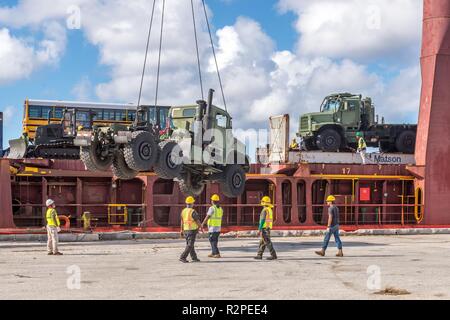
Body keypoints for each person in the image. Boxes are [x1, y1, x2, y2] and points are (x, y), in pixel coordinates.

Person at [180, 196, 203, 263]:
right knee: (190, 245)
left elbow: (182, 221)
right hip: (192, 230)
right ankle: (183, 257)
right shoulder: (193, 211)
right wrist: (201, 227)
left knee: (190, 244)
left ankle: (194, 257)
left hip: (186, 230)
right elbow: (197, 220)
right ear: (192, 203)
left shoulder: (183, 211)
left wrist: (181, 230)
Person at [254, 196, 277, 261]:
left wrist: (259, 229)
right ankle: (259, 255)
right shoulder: (269, 209)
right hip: (267, 228)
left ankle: (273, 255)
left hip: (265, 228)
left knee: (267, 242)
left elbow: (262, 220)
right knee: (262, 242)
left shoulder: (264, 210)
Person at [202, 194, 223, 258]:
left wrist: (203, 223)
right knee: (215, 240)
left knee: (212, 240)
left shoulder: (212, 208)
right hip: (218, 227)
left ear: (212, 201)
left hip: (213, 227)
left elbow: (207, 216)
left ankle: (217, 253)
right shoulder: (220, 209)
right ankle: (213, 253)